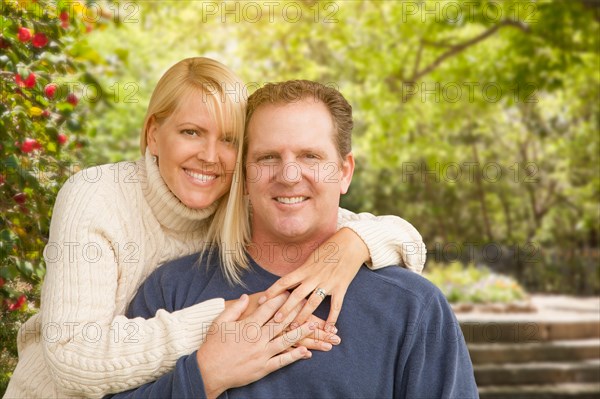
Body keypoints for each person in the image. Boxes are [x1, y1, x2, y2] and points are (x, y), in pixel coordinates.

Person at [5, 59, 426, 398]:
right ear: (153, 134)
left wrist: (354, 243)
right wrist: (221, 323)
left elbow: (371, 228)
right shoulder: (96, 196)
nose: (210, 156)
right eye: (191, 132)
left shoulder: (236, 199)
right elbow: (72, 361)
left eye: (228, 139)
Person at [111, 80, 479, 398]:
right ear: (244, 173)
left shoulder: (412, 307)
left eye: (310, 156)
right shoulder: (172, 290)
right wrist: (204, 378)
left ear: (344, 172)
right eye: (268, 157)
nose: (288, 175)